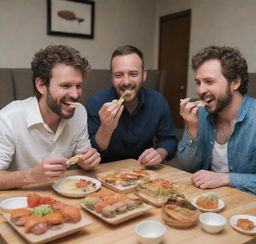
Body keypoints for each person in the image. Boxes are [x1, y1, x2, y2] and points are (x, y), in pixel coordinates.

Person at [0, 45, 101, 189]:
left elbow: (84, 159)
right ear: (41, 85)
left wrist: (88, 162)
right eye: (66, 86)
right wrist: (31, 175)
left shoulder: (79, 112)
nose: (75, 94)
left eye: (78, 86)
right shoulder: (8, 118)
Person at [177, 45, 256, 195]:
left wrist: (226, 179)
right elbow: (187, 167)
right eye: (198, 82)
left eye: (209, 81)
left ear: (235, 83)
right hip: (208, 201)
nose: (200, 90)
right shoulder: (201, 114)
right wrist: (192, 128)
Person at [86, 45, 177, 166]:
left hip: (144, 171)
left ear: (144, 75)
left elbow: (169, 140)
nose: (126, 82)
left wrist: (159, 153)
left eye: (133, 74)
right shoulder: (96, 102)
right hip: (104, 171)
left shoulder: (158, 102)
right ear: (112, 78)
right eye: (119, 75)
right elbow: (90, 152)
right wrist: (106, 128)